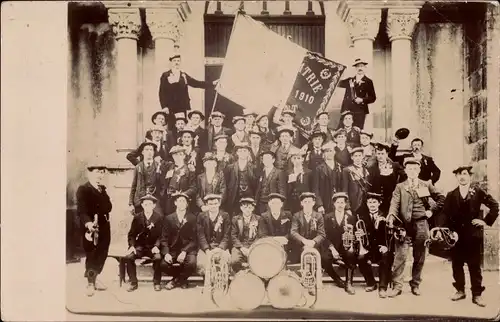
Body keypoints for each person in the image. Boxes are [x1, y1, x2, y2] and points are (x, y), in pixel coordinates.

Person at [438, 166, 499, 307]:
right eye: (459, 174)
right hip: (456, 236)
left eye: (464, 174)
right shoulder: (451, 194)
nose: (462, 177)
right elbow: (444, 214)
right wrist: (448, 232)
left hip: (473, 235)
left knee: (474, 265)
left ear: (469, 176)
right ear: (456, 177)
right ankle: (460, 290)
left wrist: (485, 221)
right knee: (457, 264)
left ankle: (477, 294)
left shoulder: (478, 192)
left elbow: (495, 205)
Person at [387, 157, 445, 298]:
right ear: (406, 171)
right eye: (409, 169)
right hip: (403, 225)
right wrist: (391, 216)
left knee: (419, 256)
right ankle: (397, 286)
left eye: (415, 168)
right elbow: (394, 204)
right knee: (400, 256)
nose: (412, 171)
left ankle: (415, 284)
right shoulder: (400, 186)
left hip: (421, 224)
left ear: (419, 170)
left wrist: (432, 211)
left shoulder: (426, 184)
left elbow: (442, 198)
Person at [323, 192, 375, 293]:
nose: (340, 205)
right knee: (324, 259)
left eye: (342, 202)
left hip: (345, 247)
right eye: (338, 202)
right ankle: (337, 280)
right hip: (331, 246)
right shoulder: (327, 217)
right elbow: (324, 235)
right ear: (334, 204)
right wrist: (332, 249)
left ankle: (348, 283)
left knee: (350, 254)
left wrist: (354, 236)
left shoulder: (351, 217)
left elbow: (355, 233)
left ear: (345, 204)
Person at [76, 159, 113, 297]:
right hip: (91, 227)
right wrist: (88, 224)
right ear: (89, 173)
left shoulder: (102, 189)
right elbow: (82, 211)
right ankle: (90, 283)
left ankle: (95, 278)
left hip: (104, 225)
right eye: (97, 172)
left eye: (102, 172)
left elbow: (108, 207)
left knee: (102, 253)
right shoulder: (84, 189)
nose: (100, 175)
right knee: (92, 254)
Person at [158, 53, 217, 128]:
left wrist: (212, 83)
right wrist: (164, 106)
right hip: (170, 107)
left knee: (182, 126)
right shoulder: (165, 75)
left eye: (178, 61)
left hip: (182, 106)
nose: (176, 62)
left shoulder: (183, 75)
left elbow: (196, 83)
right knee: (171, 126)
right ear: (171, 62)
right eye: (174, 61)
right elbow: (161, 92)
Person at [125, 194, 164, 292]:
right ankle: (133, 282)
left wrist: (157, 246)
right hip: (140, 246)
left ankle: (157, 282)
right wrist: (132, 246)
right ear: (142, 205)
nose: (148, 207)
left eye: (150, 204)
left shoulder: (158, 218)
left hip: (152, 247)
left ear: (154, 206)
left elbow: (161, 235)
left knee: (158, 258)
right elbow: (131, 234)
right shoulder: (137, 217)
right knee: (129, 257)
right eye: (145, 204)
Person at [359, 192, 394, 298]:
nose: (372, 204)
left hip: (381, 248)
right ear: (367, 204)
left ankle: (383, 287)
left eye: (374, 202)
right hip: (368, 248)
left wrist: (386, 246)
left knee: (386, 256)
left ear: (379, 203)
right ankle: (371, 283)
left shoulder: (386, 216)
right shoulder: (362, 217)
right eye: (369, 202)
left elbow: (391, 236)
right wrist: (359, 235)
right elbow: (360, 235)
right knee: (360, 258)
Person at [160, 192, 198, 290]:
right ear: (175, 203)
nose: (182, 203)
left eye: (184, 201)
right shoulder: (168, 218)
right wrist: (166, 253)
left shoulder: (192, 218)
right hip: (173, 249)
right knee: (163, 265)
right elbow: (164, 238)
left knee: (192, 264)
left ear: (187, 204)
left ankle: (176, 280)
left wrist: (185, 251)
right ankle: (182, 279)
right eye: (179, 201)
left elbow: (194, 239)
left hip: (187, 249)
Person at [196, 194, 231, 276]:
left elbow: (227, 235)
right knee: (201, 265)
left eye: (215, 203)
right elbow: (201, 235)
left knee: (227, 261)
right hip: (206, 247)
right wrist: (207, 250)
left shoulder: (225, 216)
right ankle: (207, 282)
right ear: (207, 205)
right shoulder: (201, 216)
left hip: (220, 247)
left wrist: (220, 248)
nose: (213, 206)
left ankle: (222, 281)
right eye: (210, 204)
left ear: (219, 204)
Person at [367, 142, 406, 214]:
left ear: (387, 154)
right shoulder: (371, 168)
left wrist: (398, 189)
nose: (380, 156)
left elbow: (405, 177)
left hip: (392, 198)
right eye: (378, 154)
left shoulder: (395, 165)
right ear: (376, 154)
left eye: (382, 154)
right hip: (377, 201)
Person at [337, 58, 376, 129]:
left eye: (361, 66)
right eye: (358, 66)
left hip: (360, 111)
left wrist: (362, 100)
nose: (360, 68)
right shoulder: (349, 80)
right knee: (343, 131)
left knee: (357, 131)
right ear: (355, 68)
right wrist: (339, 71)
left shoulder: (368, 81)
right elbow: (336, 83)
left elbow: (373, 98)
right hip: (347, 110)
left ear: (365, 68)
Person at [289, 192, 326, 264]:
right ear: (301, 203)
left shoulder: (319, 216)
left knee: (322, 259)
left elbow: (322, 234)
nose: (307, 204)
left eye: (309, 202)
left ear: (313, 203)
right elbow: (293, 232)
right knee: (294, 260)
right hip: (299, 246)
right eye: (305, 202)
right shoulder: (296, 216)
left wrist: (313, 242)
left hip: (315, 246)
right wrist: (304, 241)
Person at [129, 141, 164, 215]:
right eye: (147, 150)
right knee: (140, 221)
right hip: (140, 201)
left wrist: (160, 197)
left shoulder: (159, 166)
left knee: (159, 218)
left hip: (155, 200)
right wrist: (131, 203)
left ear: (154, 152)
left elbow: (163, 185)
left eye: (151, 150)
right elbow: (134, 186)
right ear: (142, 152)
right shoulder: (138, 167)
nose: (149, 152)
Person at [160, 145, 196, 215]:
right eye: (175, 155)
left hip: (182, 201)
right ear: (172, 156)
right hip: (169, 201)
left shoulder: (189, 169)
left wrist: (183, 194)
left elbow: (193, 188)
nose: (178, 157)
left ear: (184, 156)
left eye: (181, 154)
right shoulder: (169, 167)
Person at [224, 142, 258, 214]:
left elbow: (256, 185)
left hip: (249, 197)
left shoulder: (254, 168)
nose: (243, 153)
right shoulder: (230, 167)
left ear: (248, 153)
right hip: (234, 198)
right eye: (240, 151)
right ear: (237, 153)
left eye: (245, 151)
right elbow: (226, 184)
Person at [257, 193, 293, 259]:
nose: (275, 205)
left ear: (281, 204)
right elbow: (262, 235)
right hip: (270, 245)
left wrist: (285, 238)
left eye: (278, 203)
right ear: (269, 204)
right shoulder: (264, 216)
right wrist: (275, 239)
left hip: (285, 244)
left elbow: (291, 230)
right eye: (273, 203)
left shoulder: (288, 215)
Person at [230, 198, 260, 273]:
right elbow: (233, 236)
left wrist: (252, 248)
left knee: (258, 261)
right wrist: (242, 248)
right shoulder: (236, 219)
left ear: (253, 208)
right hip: (240, 246)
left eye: (250, 207)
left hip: (254, 245)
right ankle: (241, 276)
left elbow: (260, 236)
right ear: (241, 208)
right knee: (234, 261)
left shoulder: (258, 219)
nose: (247, 210)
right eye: (245, 207)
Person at [313, 141, 343, 215]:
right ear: (324, 154)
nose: (329, 153)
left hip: (338, 201)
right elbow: (315, 188)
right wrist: (319, 205)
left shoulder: (339, 167)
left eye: (331, 151)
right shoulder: (319, 169)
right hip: (325, 201)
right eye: (327, 151)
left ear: (334, 152)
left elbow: (343, 186)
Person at [255, 150, 286, 214]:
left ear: (273, 160)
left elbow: (282, 191)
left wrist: (281, 206)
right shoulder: (261, 172)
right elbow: (258, 189)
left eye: (268, 158)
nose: (266, 160)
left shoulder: (279, 172)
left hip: (273, 203)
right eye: (264, 159)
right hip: (261, 203)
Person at [342, 147, 371, 215]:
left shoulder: (366, 170)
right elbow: (345, 190)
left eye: (359, 155)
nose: (358, 158)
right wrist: (347, 207)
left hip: (366, 204)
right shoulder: (347, 170)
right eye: (355, 156)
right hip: (354, 204)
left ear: (362, 157)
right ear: (352, 157)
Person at [286, 150, 313, 214]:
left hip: (305, 201)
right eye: (294, 158)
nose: (296, 161)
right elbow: (286, 189)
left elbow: (311, 187)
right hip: (292, 202)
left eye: (298, 158)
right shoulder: (287, 173)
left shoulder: (309, 172)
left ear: (302, 159)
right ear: (291, 160)